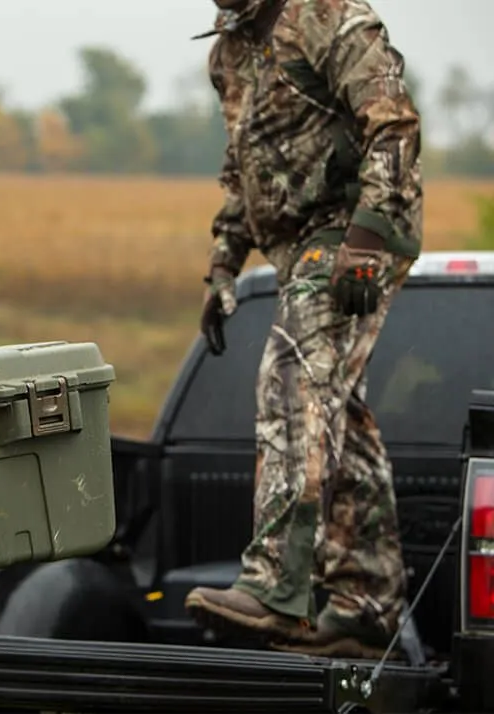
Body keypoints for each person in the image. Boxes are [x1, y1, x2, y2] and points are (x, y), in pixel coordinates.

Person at [184, 0, 423, 660]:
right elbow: (245, 169)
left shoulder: (330, 17)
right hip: (297, 246)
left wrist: (368, 241)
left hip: (357, 223)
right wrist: (224, 262)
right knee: (335, 405)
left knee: (293, 377)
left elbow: (394, 128)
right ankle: (365, 604)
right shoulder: (228, 53)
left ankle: (277, 585)